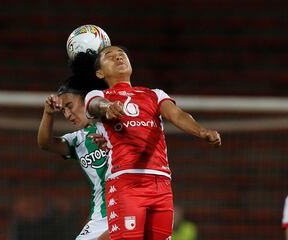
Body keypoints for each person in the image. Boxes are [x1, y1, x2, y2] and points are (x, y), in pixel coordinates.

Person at [83, 45, 221, 239]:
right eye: (109, 56)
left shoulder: (154, 94)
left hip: (161, 183)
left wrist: (202, 131)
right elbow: (94, 106)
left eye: (121, 54)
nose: (118, 57)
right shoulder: (99, 96)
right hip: (126, 181)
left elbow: (177, 115)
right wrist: (108, 107)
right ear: (99, 72)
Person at [37, 54, 110, 240]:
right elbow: (45, 143)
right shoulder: (77, 140)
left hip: (124, 208)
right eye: (63, 111)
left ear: (87, 99)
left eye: (70, 106)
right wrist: (48, 114)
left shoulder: (113, 124)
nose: (68, 114)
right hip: (99, 218)